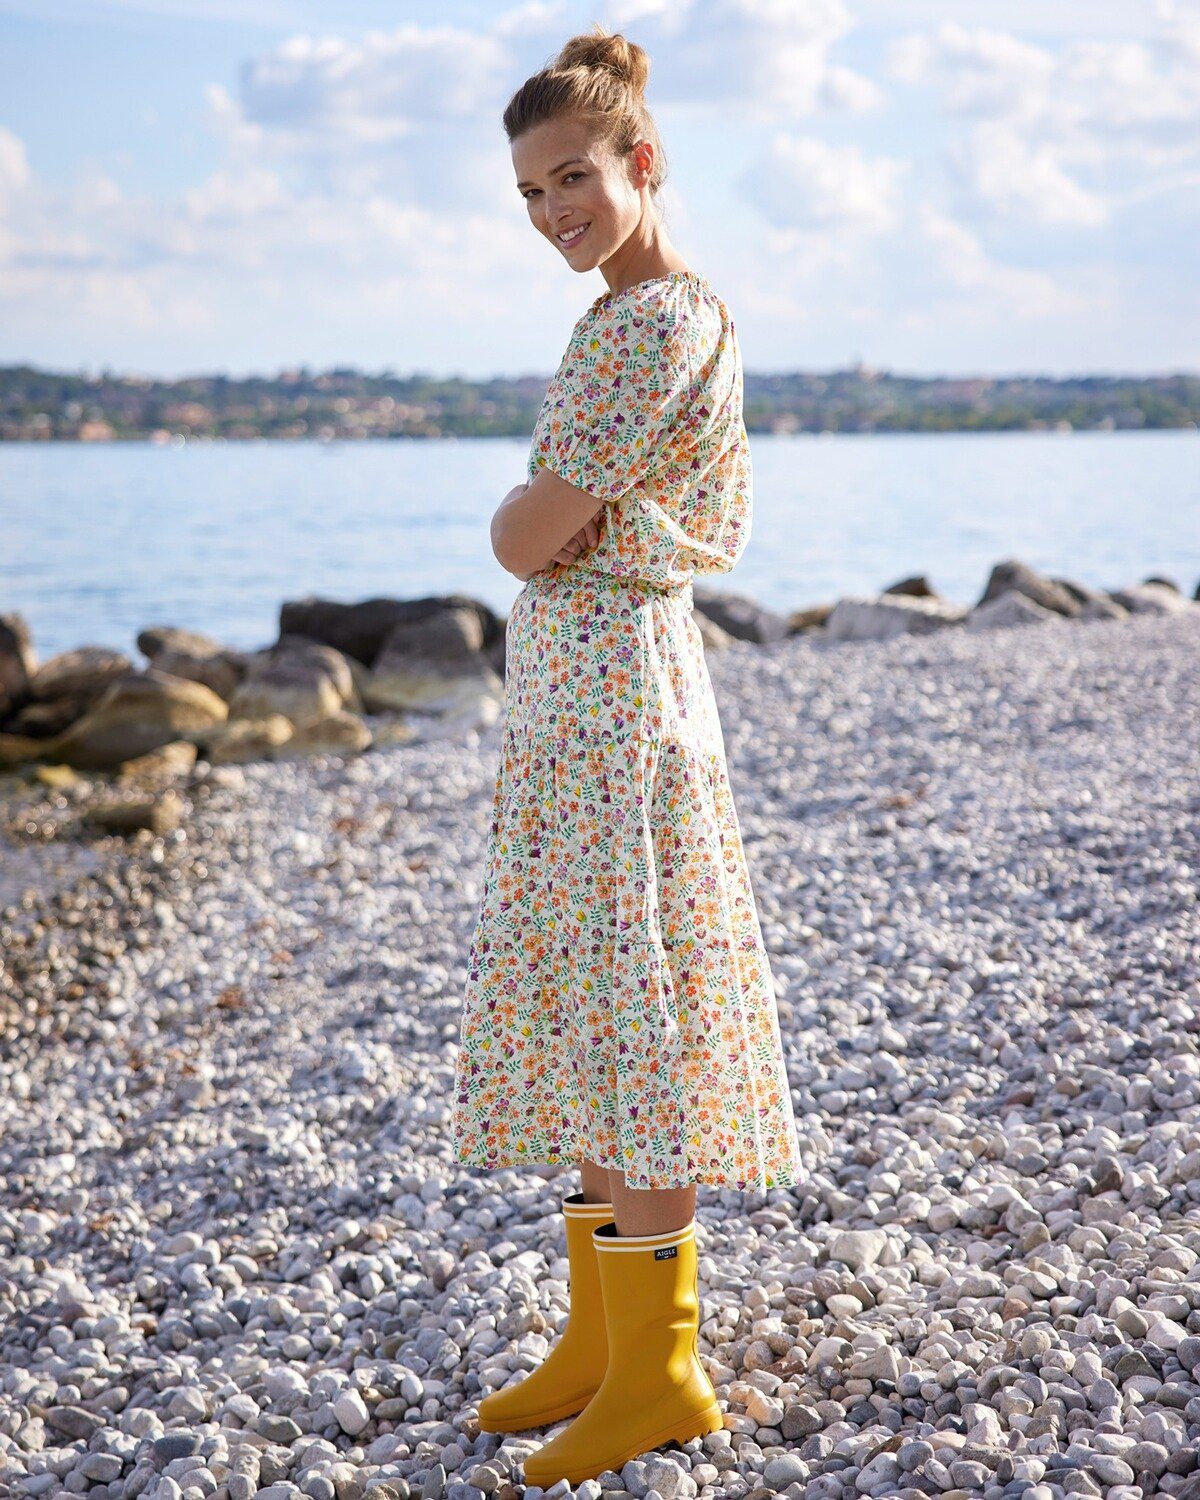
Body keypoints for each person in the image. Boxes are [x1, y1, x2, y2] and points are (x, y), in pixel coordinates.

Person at [450, 22, 804, 1490]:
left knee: (634, 999)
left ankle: (659, 1369)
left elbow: (535, 533)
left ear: (641, 163)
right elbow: (554, 525)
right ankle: (606, 1336)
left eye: (574, 178)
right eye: (531, 192)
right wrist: (538, 523)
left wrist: (516, 524)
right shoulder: (618, 317)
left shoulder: (656, 322)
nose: (554, 213)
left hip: (617, 708)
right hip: (588, 700)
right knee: (594, 995)